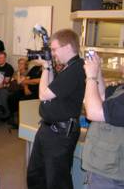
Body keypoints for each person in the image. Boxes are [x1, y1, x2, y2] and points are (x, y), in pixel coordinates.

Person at [27, 29, 86, 189]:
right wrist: (49, 68)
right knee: (36, 175)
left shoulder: (76, 70)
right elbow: (52, 88)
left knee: (56, 181)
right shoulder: (68, 67)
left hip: (61, 134)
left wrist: (46, 67)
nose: (52, 54)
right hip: (48, 129)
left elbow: (44, 94)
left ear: (67, 47)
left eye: (54, 49)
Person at [82, 53, 124, 188]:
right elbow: (101, 96)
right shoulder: (120, 89)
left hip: (112, 176)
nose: (122, 66)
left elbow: (93, 112)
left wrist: (91, 77)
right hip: (105, 168)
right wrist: (97, 70)